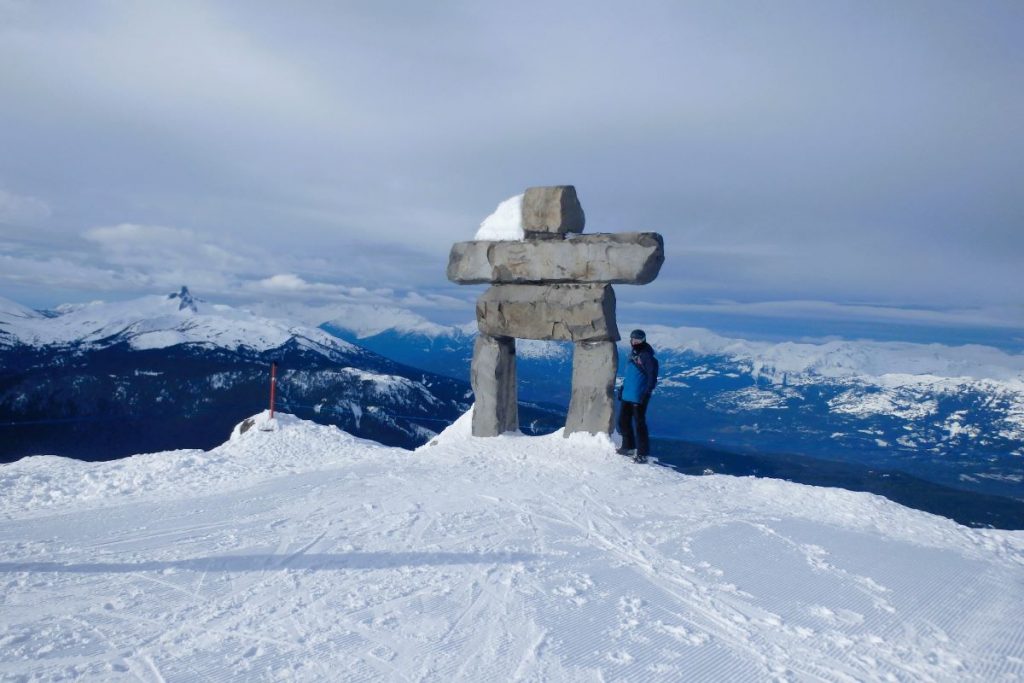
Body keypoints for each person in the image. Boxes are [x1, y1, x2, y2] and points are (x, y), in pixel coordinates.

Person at [617, 329, 657, 462]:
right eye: (633, 340)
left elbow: (652, 377)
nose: (635, 342)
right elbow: (630, 375)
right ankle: (628, 447)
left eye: (638, 340)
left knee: (639, 425)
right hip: (628, 394)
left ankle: (642, 454)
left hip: (639, 396)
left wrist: (646, 394)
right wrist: (622, 389)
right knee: (623, 421)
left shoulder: (646, 356)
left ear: (644, 340)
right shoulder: (633, 354)